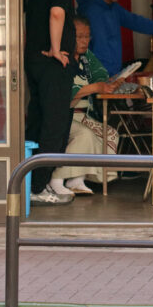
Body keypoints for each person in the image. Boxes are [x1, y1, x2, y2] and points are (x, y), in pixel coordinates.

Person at [24, 0, 95, 205]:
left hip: (32, 60)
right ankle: (38, 186)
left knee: (37, 121)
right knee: (55, 124)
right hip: (52, 63)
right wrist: (56, 49)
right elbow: (57, 14)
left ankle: (29, 182)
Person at [52, 17, 121, 194]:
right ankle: (57, 179)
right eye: (80, 37)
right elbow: (65, 93)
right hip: (63, 114)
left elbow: (101, 73)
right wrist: (95, 87)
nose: (85, 41)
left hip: (83, 114)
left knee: (110, 134)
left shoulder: (86, 57)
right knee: (85, 134)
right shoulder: (61, 57)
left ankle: (78, 179)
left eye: (87, 36)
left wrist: (105, 84)